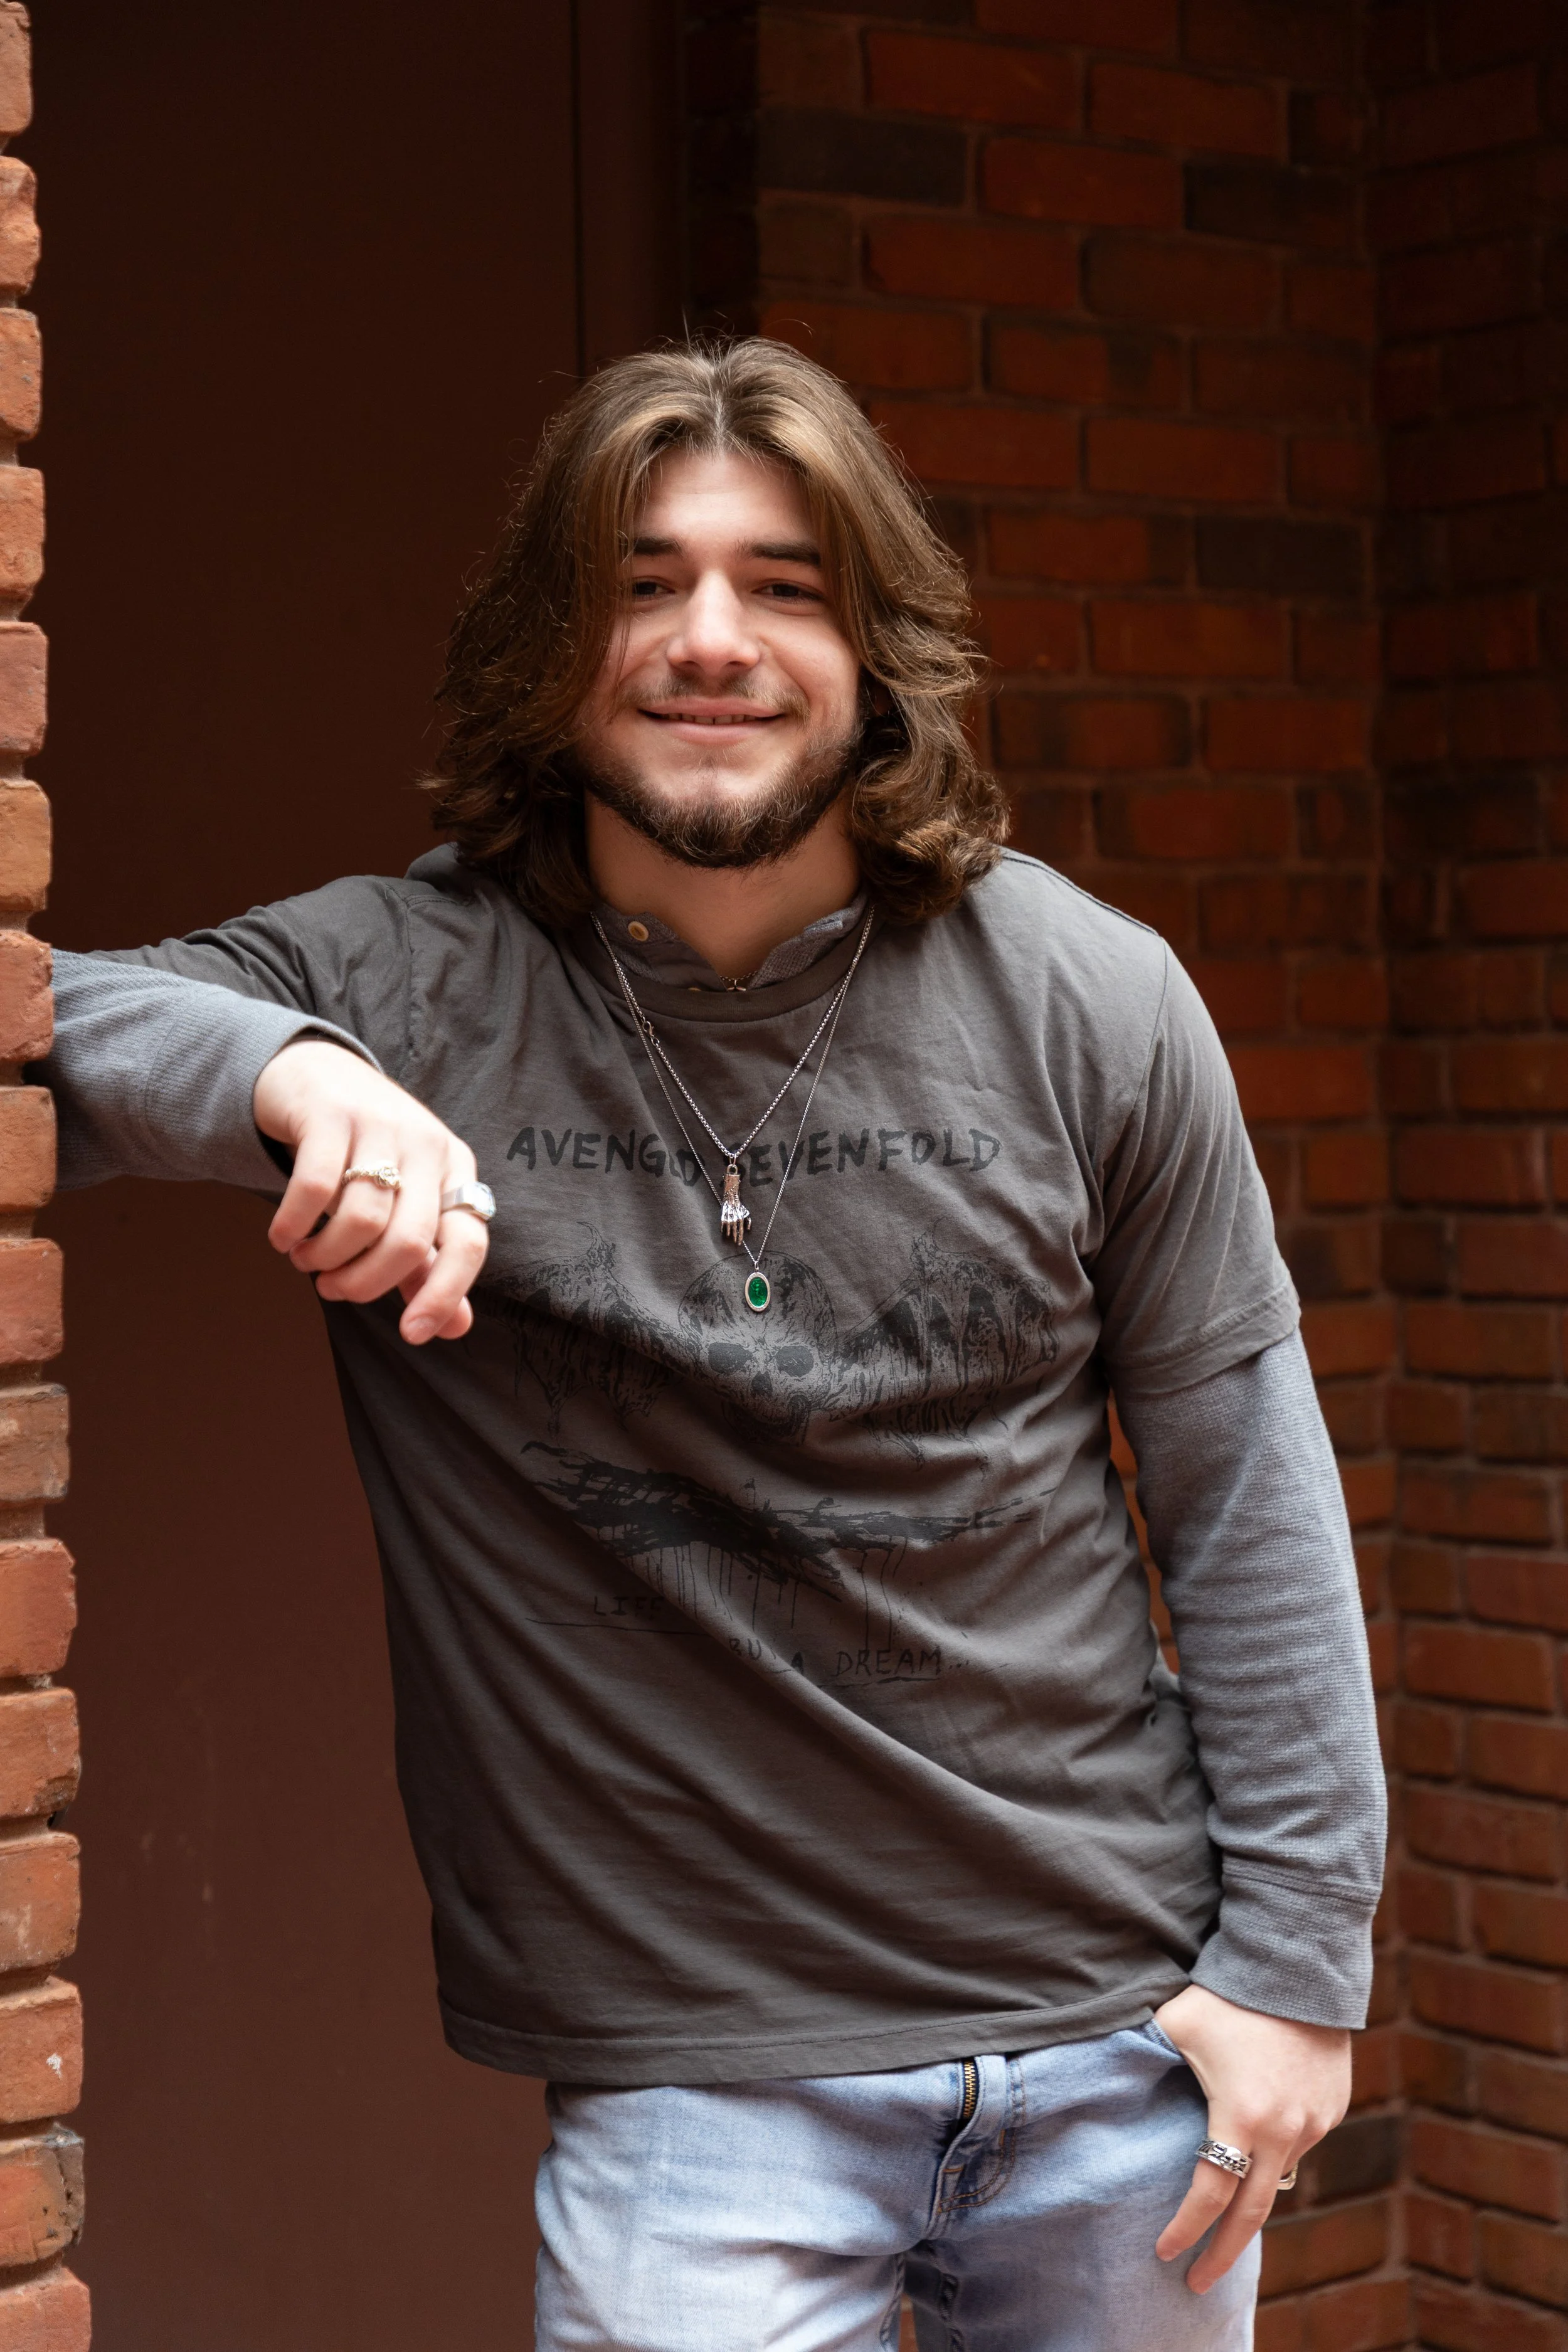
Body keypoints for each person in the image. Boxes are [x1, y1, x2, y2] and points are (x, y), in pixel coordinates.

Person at [43, 339, 1384, 2351]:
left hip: (1123, 2060)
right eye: (641, 580)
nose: (708, 640)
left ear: (877, 641)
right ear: (550, 642)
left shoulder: (1089, 997)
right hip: (700, 2090)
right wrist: (290, 1071)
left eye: (783, 582)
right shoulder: (406, 978)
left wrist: (1296, 1971)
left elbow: (1247, 1492)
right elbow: (43, 1017)